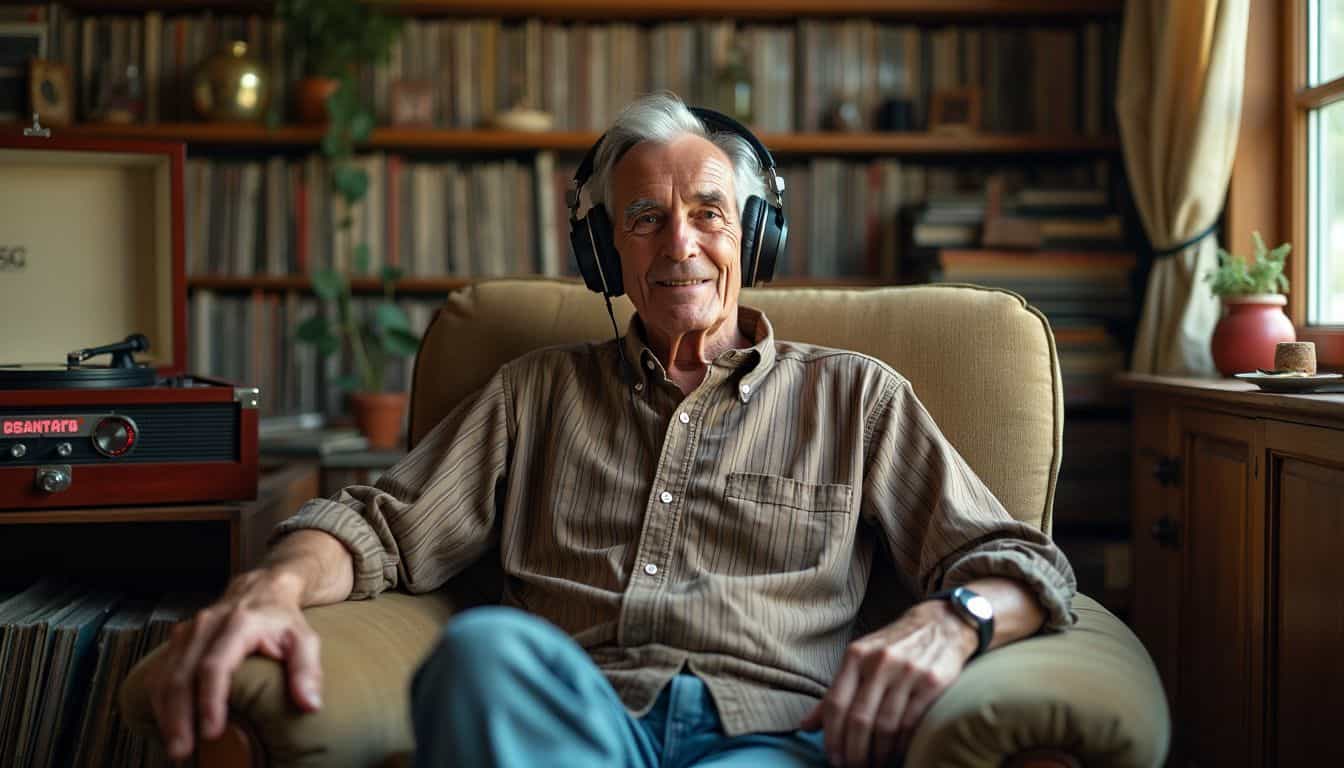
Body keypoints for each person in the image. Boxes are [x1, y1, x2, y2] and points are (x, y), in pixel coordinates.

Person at [144, 93, 1075, 768]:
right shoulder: (534, 394)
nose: (679, 244)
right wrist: (270, 589)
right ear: (605, 250)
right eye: (645, 219)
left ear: (751, 237)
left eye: (709, 214)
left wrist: (957, 622)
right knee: (481, 653)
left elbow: (1015, 559)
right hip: (567, 724)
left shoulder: (856, 399)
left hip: (768, 741)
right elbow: (377, 526)